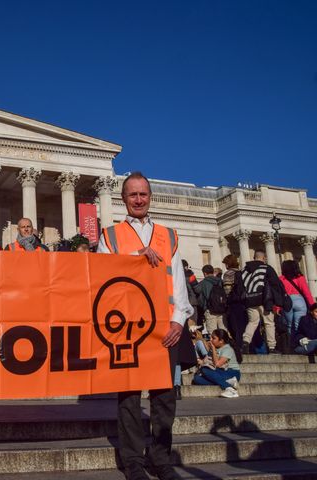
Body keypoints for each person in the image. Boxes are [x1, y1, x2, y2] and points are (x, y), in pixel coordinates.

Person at [97, 172, 193, 480]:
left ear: (149, 197)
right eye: (132, 195)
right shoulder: (110, 236)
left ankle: (160, 458)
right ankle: (133, 461)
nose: (138, 199)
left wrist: (179, 319)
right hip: (127, 328)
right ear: (123, 199)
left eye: (143, 194)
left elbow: (177, 283)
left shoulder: (169, 235)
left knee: (165, 398)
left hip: (166, 327)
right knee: (128, 398)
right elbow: (102, 278)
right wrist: (133, 258)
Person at [241, 250, 283, 354]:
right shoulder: (266, 268)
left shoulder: (244, 270)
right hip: (265, 300)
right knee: (269, 323)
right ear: (264, 258)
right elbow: (276, 284)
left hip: (249, 300)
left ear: (254, 257)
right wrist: (278, 300)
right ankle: (272, 347)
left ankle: (245, 342)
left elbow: (240, 287)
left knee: (252, 322)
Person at [192, 329, 242, 398]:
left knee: (205, 370)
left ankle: (230, 389)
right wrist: (201, 361)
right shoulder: (216, 348)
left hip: (232, 372)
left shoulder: (227, 349)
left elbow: (217, 364)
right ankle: (228, 382)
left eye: (213, 338)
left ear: (221, 341)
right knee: (197, 379)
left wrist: (212, 348)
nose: (211, 339)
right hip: (221, 372)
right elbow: (208, 358)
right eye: (211, 337)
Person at [280, 260, 315, 346]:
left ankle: (290, 344)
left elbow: (278, 293)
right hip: (299, 301)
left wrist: (277, 308)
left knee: (289, 325)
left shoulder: (281, 279)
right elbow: (306, 293)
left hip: (286, 301)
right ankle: (298, 343)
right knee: (298, 324)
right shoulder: (299, 277)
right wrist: (312, 305)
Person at [222, 254, 248, 344]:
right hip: (244, 301)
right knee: (244, 324)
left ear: (228, 264)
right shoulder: (243, 273)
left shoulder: (228, 274)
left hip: (233, 302)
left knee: (235, 325)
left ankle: (239, 345)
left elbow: (227, 289)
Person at [194, 264, 228, 335]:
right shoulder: (220, 281)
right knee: (223, 331)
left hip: (210, 310)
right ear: (213, 272)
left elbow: (196, 290)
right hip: (222, 309)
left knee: (212, 333)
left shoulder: (203, 282)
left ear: (204, 273)